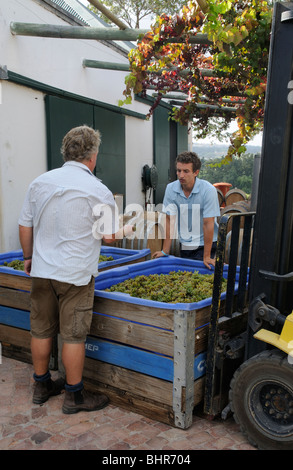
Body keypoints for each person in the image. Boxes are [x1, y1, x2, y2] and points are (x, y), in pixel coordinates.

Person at [18, 125, 133, 414]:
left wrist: (28, 257)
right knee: (73, 335)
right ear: (93, 156)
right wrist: (127, 228)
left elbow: (25, 224)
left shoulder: (40, 182)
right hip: (76, 274)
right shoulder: (99, 190)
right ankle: (74, 396)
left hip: (43, 270)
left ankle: (41, 385)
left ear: (65, 152)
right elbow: (109, 236)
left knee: (41, 329)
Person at [153, 151, 220, 269]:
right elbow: (169, 220)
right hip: (185, 244)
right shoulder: (171, 189)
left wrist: (207, 256)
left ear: (196, 172)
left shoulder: (208, 190)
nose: (181, 175)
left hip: (207, 244)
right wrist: (165, 251)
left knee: (202, 278)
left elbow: (208, 224)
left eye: (186, 171)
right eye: (179, 170)